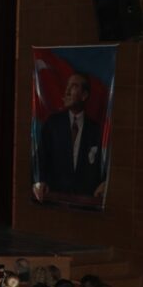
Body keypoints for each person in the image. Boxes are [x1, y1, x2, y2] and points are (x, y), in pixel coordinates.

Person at [34, 73, 106, 201]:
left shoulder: (96, 130)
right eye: (67, 86)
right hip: (54, 199)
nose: (66, 91)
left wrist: (104, 183)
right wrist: (40, 182)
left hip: (86, 203)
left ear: (84, 95)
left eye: (73, 86)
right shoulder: (52, 124)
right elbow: (41, 158)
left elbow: (103, 163)